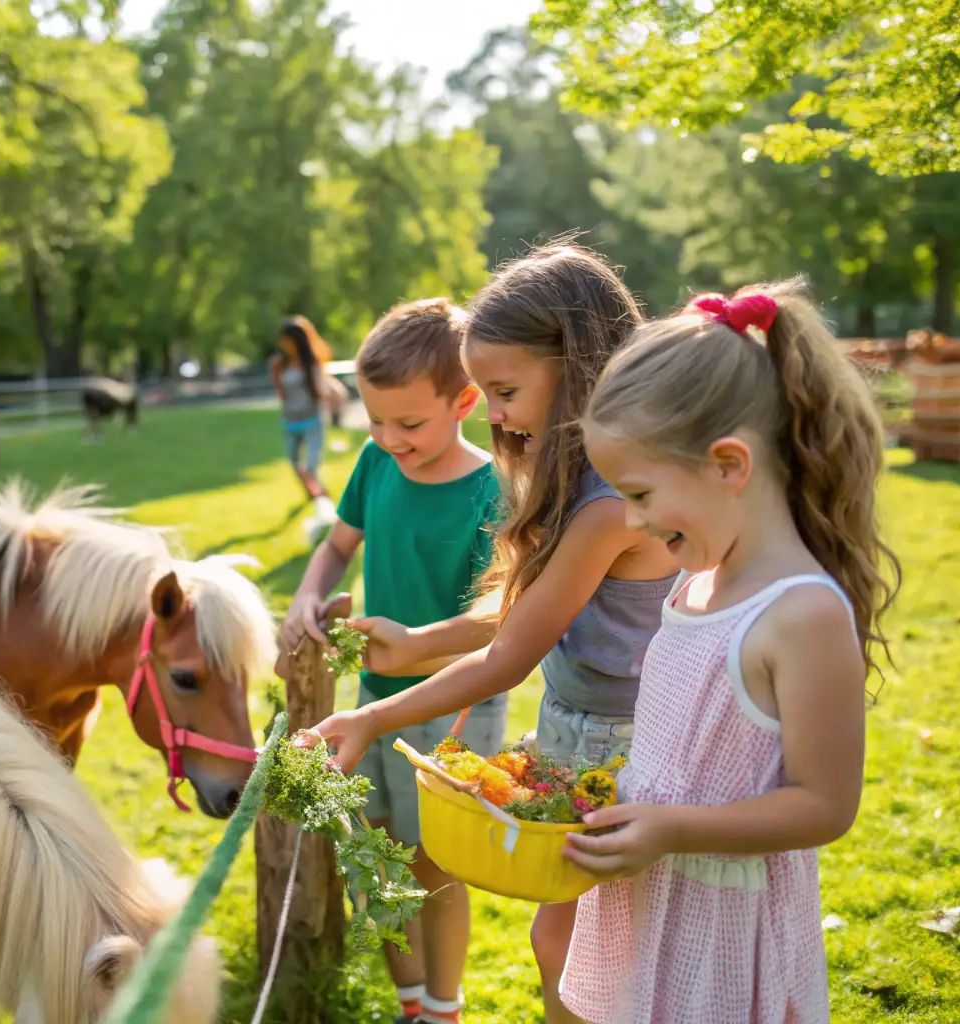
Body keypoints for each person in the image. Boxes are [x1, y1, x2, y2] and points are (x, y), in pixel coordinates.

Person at [301, 245, 678, 1023]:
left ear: (573, 366)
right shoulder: (567, 471)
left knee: (592, 949)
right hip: (578, 730)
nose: (495, 413)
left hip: (628, 743)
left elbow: (510, 655)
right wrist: (417, 643)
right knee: (565, 944)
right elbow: (526, 605)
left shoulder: (608, 501)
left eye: (503, 392)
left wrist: (372, 714)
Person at [556, 282, 900, 1023]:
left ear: (728, 465)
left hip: (725, 930)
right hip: (653, 899)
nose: (629, 520)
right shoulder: (696, 584)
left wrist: (674, 830)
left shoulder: (799, 614)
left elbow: (824, 805)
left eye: (641, 493)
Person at [280, 298, 504, 1024]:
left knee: (433, 867)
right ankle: (410, 1004)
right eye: (375, 421)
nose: (387, 438)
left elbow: (496, 623)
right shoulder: (376, 463)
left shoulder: (489, 490)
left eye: (408, 424)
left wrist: (417, 644)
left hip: (452, 709)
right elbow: (338, 546)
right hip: (372, 696)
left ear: (465, 401)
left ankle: (443, 1008)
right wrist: (307, 597)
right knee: (374, 859)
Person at [270, 315, 347, 542]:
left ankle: (330, 508)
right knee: (296, 466)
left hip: (312, 422)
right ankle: (317, 499)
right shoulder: (280, 365)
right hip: (290, 422)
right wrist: (275, 375)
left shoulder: (312, 363)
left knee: (310, 468)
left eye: (288, 340)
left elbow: (329, 390)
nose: (284, 345)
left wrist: (334, 407)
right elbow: (283, 397)